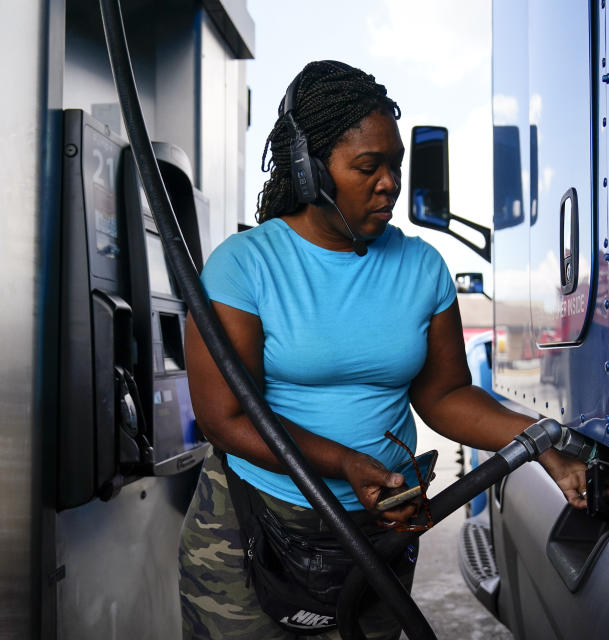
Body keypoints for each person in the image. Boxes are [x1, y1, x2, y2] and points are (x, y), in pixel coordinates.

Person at [178, 60, 587, 639]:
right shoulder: (245, 266)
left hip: (376, 532)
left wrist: (537, 447)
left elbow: (445, 394)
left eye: (395, 165)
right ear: (308, 169)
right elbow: (224, 418)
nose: (390, 182)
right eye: (368, 166)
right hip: (255, 527)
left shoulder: (421, 267)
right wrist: (343, 462)